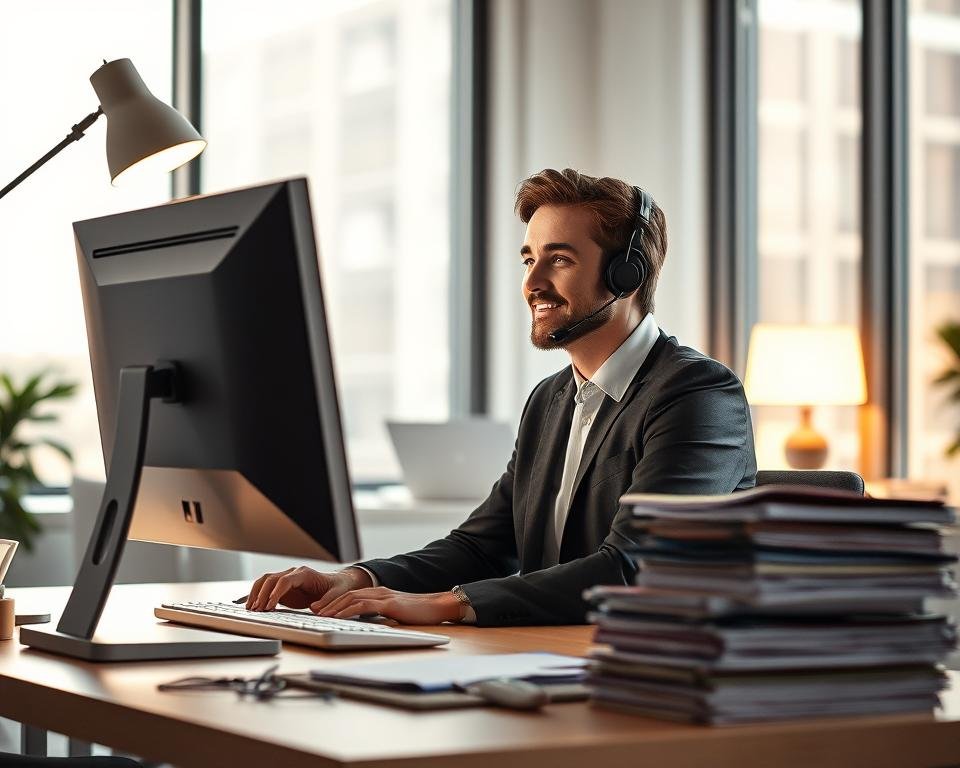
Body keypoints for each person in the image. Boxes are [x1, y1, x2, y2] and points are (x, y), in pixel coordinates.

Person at [245, 168, 757, 626]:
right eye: (529, 259)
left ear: (627, 275)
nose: (532, 282)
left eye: (559, 260)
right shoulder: (551, 399)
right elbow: (483, 546)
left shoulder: (697, 394)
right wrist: (354, 579)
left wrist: (448, 604)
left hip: (655, 666)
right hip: (555, 656)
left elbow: (638, 565)